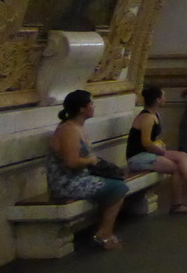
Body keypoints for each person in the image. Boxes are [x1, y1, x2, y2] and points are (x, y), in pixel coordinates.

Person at [47, 90, 128, 250]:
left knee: (117, 182)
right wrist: (91, 161)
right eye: (91, 103)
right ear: (82, 108)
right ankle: (104, 233)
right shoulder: (68, 129)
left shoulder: (77, 127)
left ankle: (105, 230)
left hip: (80, 177)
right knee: (119, 188)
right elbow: (71, 162)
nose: (94, 106)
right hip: (67, 183)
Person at [127, 87, 187, 213]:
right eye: (163, 96)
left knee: (182, 155)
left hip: (147, 154)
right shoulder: (147, 118)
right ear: (157, 99)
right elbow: (146, 143)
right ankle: (181, 201)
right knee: (176, 167)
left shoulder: (154, 115)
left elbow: (152, 139)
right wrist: (162, 153)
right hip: (137, 157)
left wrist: (159, 144)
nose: (165, 99)